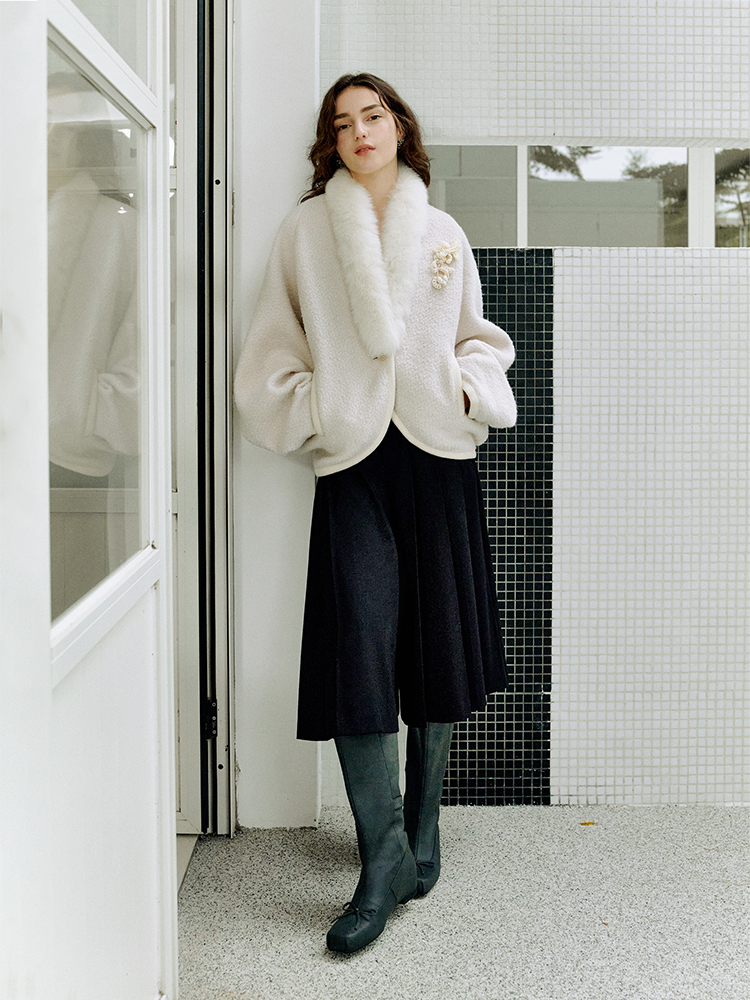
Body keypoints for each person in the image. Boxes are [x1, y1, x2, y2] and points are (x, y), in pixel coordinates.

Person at [234, 72, 517, 954]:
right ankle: (382, 853)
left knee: (438, 642)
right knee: (355, 647)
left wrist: (463, 391)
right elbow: (269, 355)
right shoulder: (306, 231)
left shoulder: (443, 232)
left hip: (438, 456)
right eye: (342, 122)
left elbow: (480, 340)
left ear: (399, 126)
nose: (360, 131)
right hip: (354, 460)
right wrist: (322, 407)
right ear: (331, 142)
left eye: (374, 115)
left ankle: (422, 835)